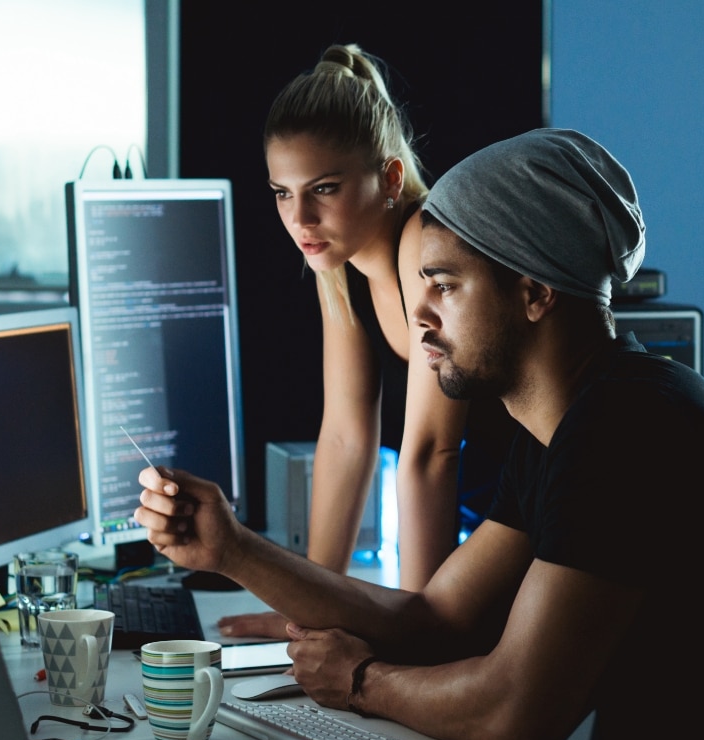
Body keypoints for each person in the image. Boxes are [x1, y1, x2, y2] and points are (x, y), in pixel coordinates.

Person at [135, 128, 704, 740]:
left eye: (445, 284)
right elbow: (438, 617)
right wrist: (230, 548)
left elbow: (514, 713)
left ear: (535, 293)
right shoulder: (572, 422)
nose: (418, 314)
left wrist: (360, 682)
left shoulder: (625, 431)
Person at [217, 43, 515, 640]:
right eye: (282, 192)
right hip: (482, 528)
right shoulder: (338, 264)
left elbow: (432, 453)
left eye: (323, 189)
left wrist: (415, 630)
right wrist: (308, 606)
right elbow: (347, 435)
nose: (300, 218)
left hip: (539, 510)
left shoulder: (426, 245)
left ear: (390, 177)